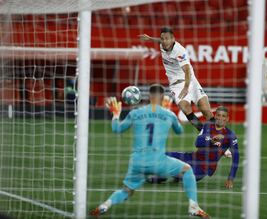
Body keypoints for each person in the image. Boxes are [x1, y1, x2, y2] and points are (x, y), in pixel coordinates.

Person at [90, 84, 210, 218]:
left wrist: (116, 114)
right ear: (163, 97)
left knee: (127, 190)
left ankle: (105, 205)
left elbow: (117, 129)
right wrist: (168, 112)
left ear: (148, 97)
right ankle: (193, 207)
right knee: (187, 170)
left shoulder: (135, 113)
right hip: (159, 161)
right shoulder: (168, 114)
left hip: (137, 162)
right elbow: (180, 131)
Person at [139, 27, 214, 131]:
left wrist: (186, 87)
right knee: (185, 108)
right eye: (162, 38)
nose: (164, 41)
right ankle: (203, 133)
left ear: (173, 39)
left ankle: (220, 137)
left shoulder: (179, 51)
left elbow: (187, 70)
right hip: (176, 85)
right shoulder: (162, 44)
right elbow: (160, 40)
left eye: (167, 39)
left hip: (190, 81)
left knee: (206, 111)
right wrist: (150, 38)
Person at [148, 106, 239, 189]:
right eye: (218, 115)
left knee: (187, 175)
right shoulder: (207, 127)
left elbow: (236, 158)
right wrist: (211, 140)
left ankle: (162, 175)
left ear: (227, 119)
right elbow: (197, 143)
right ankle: (163, 174)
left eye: (223, 116)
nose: (220, 118)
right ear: (215, 116)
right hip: (192, 157)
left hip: (203, 168)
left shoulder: (230, 135)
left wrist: (230, 179)